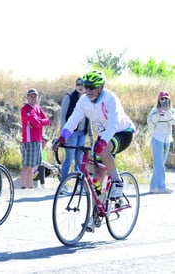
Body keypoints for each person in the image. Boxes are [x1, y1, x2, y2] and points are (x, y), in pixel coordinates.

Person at [53, 70, 136, 232]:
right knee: (96, 176)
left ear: (101, 87)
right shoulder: (83, 101)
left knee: (103, 150)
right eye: (86, 86)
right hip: (105, 134)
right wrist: (63, 137)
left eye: (92, 87)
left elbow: (113, 122)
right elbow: (73, 119)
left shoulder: (110, 98)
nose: (88, 90)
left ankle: (117, 181)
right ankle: (97, 211)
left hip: (122, 131)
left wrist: (103, 141)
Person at [59, 77, 93, 181]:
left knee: (80, 160)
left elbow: (89, 118)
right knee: (69, 158)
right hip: (71, 133)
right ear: (75, 86)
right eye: (78, 84)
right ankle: (63, 184)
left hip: (82, 133)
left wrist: (91, 134)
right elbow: (62, 116)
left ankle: (79, 186)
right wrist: (65, 133)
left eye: (83, 84)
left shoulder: (88, 99)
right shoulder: (68, 97)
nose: (80, 86)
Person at [20, 88, 50, 189]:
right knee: (26, 165)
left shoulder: (38, 108)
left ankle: (30, 186)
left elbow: (47, 120)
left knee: (32, 166)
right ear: (27, 97)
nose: (33, 98)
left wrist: (39, 122)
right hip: (29, 141)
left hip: (37, 140)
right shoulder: (26, 109)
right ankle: (23, 187)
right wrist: (39, 123)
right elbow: (36, 123)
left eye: (35, 96)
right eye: (31, 96)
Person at [147, 90, 175, 194]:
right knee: (159, 164)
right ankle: (161, 186)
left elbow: (173, 122)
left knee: (160, 164)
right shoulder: (154, 110)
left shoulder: (171, 111)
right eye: (162, 98)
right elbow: (150, 124)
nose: (164, 101)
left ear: (169, 99)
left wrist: (167, 112)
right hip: (157, 139)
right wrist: (158, 114)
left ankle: (153, 187)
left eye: (166, 99)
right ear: (159, 99)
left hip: (167, 139)